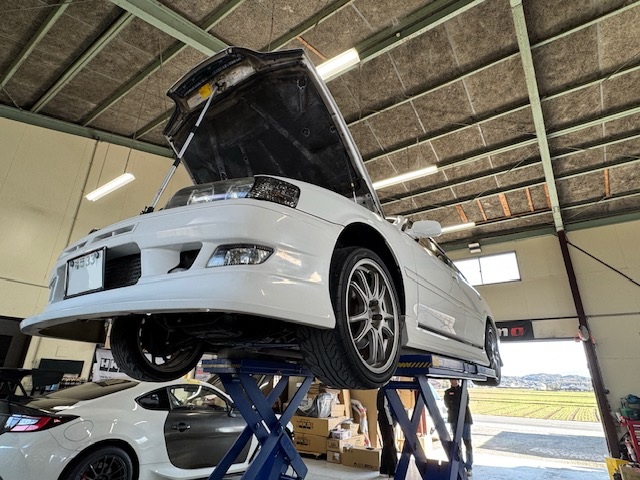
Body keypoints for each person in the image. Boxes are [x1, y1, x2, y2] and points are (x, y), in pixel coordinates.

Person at [444, 379, 473, 476]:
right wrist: (455, 405)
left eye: (455, 380)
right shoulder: (447, 392)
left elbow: (465, 403)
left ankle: (469, 466)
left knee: (467, 442)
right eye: (452, 380)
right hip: (453, 419)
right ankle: (460, 464)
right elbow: (447, 404)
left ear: (458, 381)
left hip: (465, 419)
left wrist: (454, 404)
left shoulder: (463, 390)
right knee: (457, 443)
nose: (453, 381)